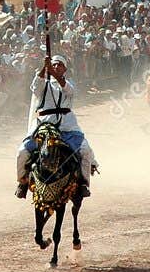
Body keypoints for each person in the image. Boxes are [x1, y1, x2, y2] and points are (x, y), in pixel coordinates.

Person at [15, 55, 95, 198]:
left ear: (65, 68)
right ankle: (23, 182)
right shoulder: (43, 84)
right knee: (22, 152)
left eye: (60, 65)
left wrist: (54, 73)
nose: (57, 67)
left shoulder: (69, 83)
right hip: (44, 126)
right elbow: (35, 85)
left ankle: (83, 183)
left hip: (67, 127)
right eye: (54, 65)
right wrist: (45, 68)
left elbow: (68, 89)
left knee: (86, 151)